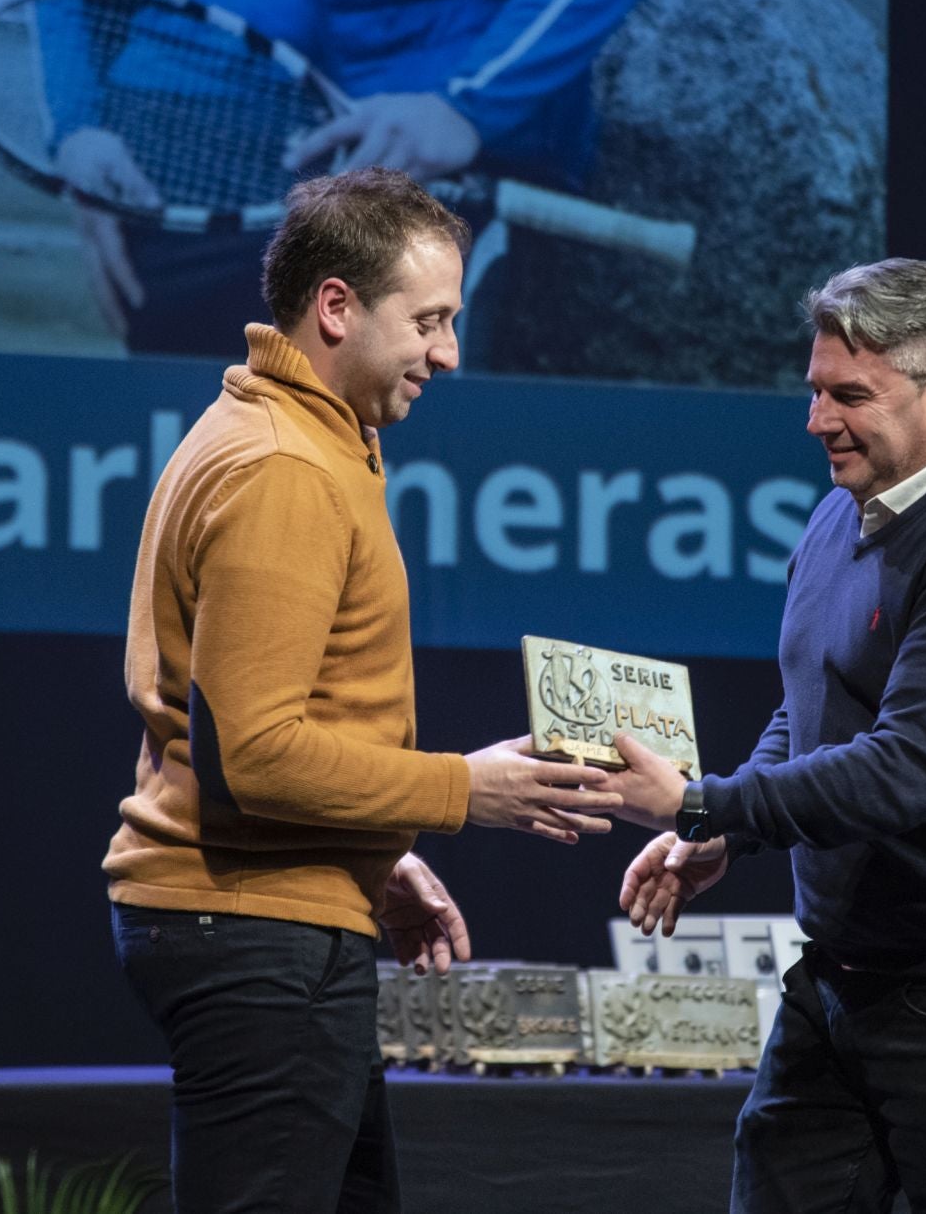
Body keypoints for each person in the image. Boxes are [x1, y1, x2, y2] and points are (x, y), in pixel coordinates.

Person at [106, 167, 623, 1213]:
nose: (450, 352)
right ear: (336, 306)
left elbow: (284, 728)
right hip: (251, 930)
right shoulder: (284, 467)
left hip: (280, 918)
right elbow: (253, 757)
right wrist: (460, 790)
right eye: (428, 320)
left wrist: (376, 852)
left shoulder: (310, 441)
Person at [609, 258, 926, 1214]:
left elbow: (897, 776)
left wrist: (698, 798)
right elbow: (810, 707)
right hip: (843, 978)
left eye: (850, 396)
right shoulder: (847, 512)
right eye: (814, 391)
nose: (817, 421)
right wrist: (725, 830)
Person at [22, 0, 670, 355]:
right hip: (186, 142)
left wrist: (469, 106)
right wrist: (81, 126)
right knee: (216, 506)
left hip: (430, 136)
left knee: (420, 503)